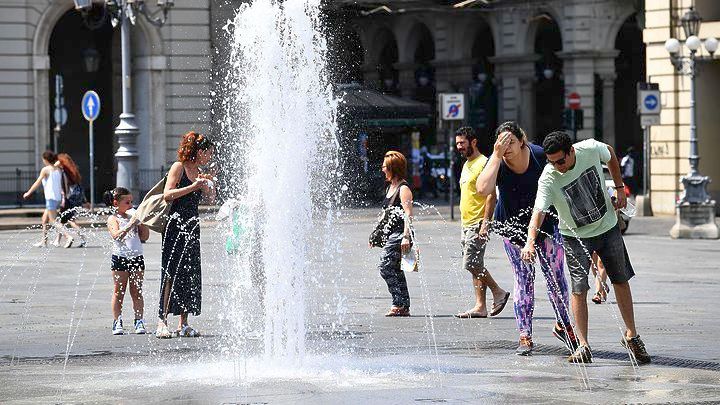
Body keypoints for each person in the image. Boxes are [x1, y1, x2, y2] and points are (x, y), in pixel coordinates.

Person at [521, 131, 651, 364]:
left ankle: (632, 335)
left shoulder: (589, 149)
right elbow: (537, 213)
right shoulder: (549, 177)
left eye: (561, 160)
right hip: (574, 237)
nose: (558, 167)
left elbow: (609, 153)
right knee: (579, 289)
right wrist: (530, 242)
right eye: (552, 162)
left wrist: (620, 188)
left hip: (608, 227)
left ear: (571, 151)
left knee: (620, 279)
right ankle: (583, 345)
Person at [475, 121, 576, 355]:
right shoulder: (497, 162)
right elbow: (482, 189)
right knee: (523, 280)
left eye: (511, 141)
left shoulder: (540, 155)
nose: (506, 146)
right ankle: (524, 335)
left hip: (547, 224)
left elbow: (563, 178)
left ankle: (565, 326)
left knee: (556, 279)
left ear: (522, 141)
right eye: (501, 143)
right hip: (513, 228)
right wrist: (496, 156)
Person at [155, 132, 215, 338]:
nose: (209, 157)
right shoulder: (178, 167)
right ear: (199, 151)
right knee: (170, 273)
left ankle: (184, 322)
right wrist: (193, 186)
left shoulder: (199, 171)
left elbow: (209, 200)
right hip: (175, 225)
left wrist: (208, 185)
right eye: (208, 153)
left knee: (189, 273)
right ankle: (161, 321)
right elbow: (167, 195)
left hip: (192, 227)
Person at [454, 127, 509, 319]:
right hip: (466, 222)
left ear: (473, 142)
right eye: (457, 143)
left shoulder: (485, 163)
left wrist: (486, 222)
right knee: (475, 265)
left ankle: (498, 291)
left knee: (471, 262)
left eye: (462, 143)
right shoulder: (466, 164)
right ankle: (480, 306)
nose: (459, 147)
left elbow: (491, 196)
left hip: (478, 221)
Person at [372, 151, 413, 317]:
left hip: (399, 235)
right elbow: (386, 214)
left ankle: (398, 302)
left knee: (385, 267)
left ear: (393, 168)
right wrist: (376, 234)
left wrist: (406, 237)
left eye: (385, 167)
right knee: (396, 268)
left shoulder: (404, 189)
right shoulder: (390, 187)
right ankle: (404, 305)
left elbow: (408, 214)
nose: (382, 169)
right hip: (391, 235)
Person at [104, 187, 149, 335]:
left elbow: (145, 237)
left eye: (132, 202)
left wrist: (140, 222)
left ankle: (139, 320)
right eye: (127, 202)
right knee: (119, 291)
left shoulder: (133, 217)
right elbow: (116, 236)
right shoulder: (113, 218)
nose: (131, 205)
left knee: (137, 291)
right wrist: (130, 224)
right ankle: (117, 321)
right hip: (120, 258)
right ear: (116, 203)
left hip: (136, 257)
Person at [22, 151, 73, 247]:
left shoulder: (45, 170)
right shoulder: (58, 169)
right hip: (58, 198)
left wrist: (28, 193)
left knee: (53, 221)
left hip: (51, 198)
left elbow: (37, 182)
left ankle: (68, 236)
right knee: (44, 219)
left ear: (45, 159)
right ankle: (44, 241)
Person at [55, 153, 87, 247]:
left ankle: (80, 238)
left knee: (69, 220)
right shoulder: (73, 170)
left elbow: (64, 186)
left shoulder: (64, 171)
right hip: (77, 196)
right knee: (64, 219)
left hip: (69, 197)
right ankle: (57, 240)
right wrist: (85, 200)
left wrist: (63, 199)